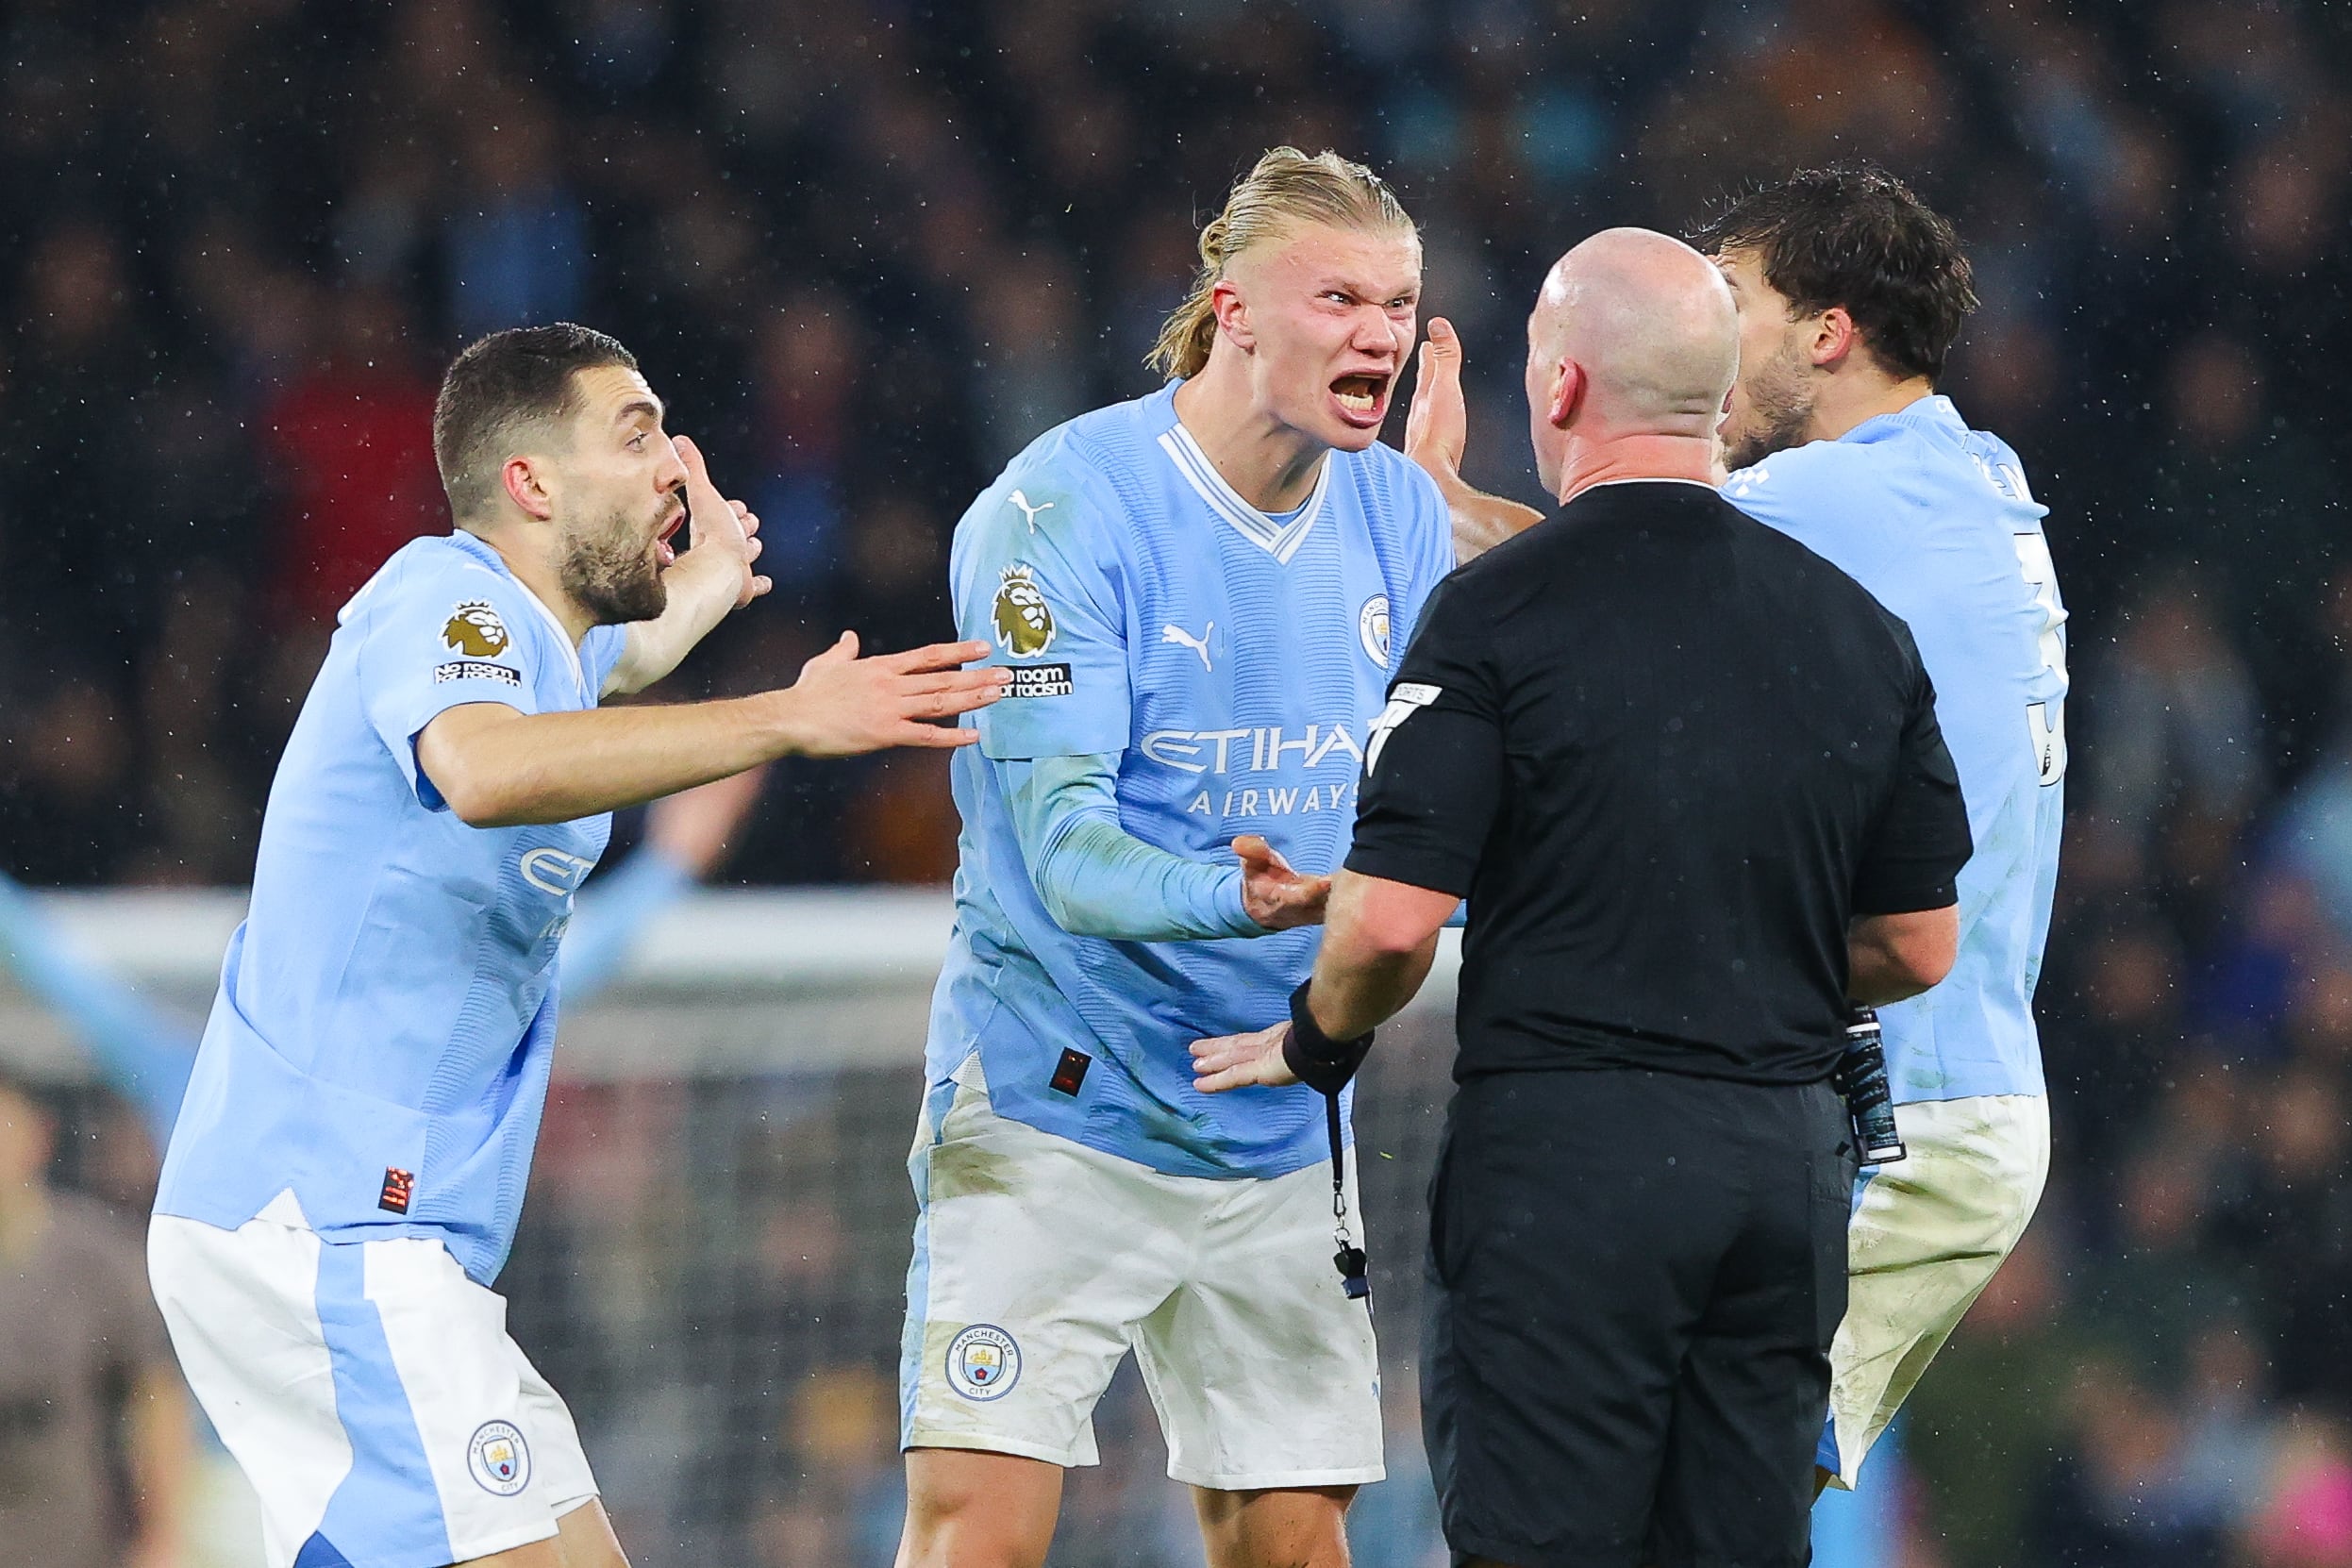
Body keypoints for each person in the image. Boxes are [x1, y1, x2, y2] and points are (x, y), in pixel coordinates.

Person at [146, 322, 1008, 1568]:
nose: (669, 462)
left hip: (391, 1239)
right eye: (635, 431)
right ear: (530, 485)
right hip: (321, 1216)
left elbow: (620, 655)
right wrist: (789, 716)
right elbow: (487, 768)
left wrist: (712, 576)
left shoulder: (541, 648)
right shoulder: (439, 594)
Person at [1192, 228, 1974, 1568]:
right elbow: (1916, 940)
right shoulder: (1858, 628)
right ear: (1722, 402)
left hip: (1571, 1164)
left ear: (1557, 392)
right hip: (1781, 1165)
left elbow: (1387, 921)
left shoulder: (1498, 614)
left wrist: (1319, 1039)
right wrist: (1731, 951)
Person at [1410, 164, 2065, 1496]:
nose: (1712, 348)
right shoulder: (1963, 472)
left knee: (1682, 1496)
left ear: (1828, 332)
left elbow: (1598, 565)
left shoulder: (1839, 504)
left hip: (1904, 1105)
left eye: (1738, 307)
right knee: (1716, 1497)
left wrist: (1425, 498)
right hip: (1955, 1091)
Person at [897, 148, 1461, 1568]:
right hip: (1057, 1092)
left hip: (1276, 1105)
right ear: (1233, 310)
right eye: (1338, 295)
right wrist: (1244, 893)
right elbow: (1069, 851)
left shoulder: (1397, 509)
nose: (1379, 333)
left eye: (1398, 301)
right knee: (980, 1526)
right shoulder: (1060, 515)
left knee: (1289, 1543)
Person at [0, 1068, 192, 1568]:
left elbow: (156, 1398)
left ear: (37, 1135)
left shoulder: (98, 1260)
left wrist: (161, 1539)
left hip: (75, 1544)